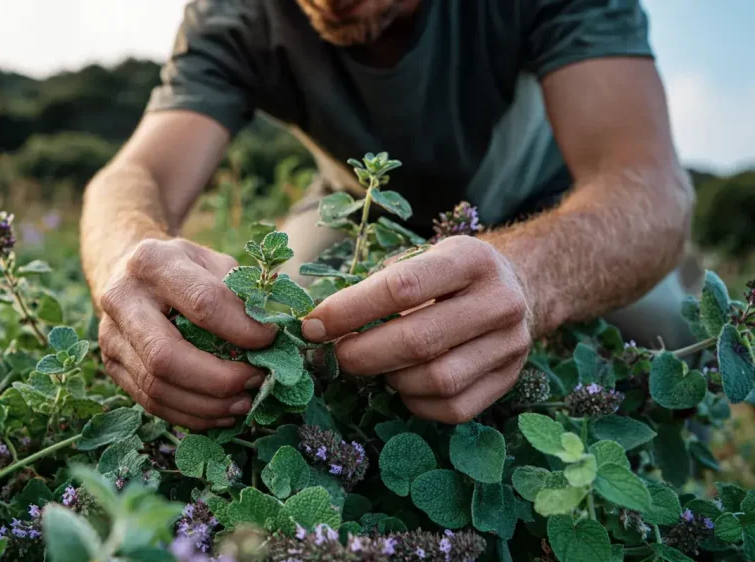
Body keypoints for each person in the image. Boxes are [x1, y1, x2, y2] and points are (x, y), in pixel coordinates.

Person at [79, 0, 700, 431]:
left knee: (669, 329)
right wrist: (125, 259)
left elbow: (648, 186)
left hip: (553, 206)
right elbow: (136, 177)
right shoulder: (235, 15)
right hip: (359, 212)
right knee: (288, 334)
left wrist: (532, 278)